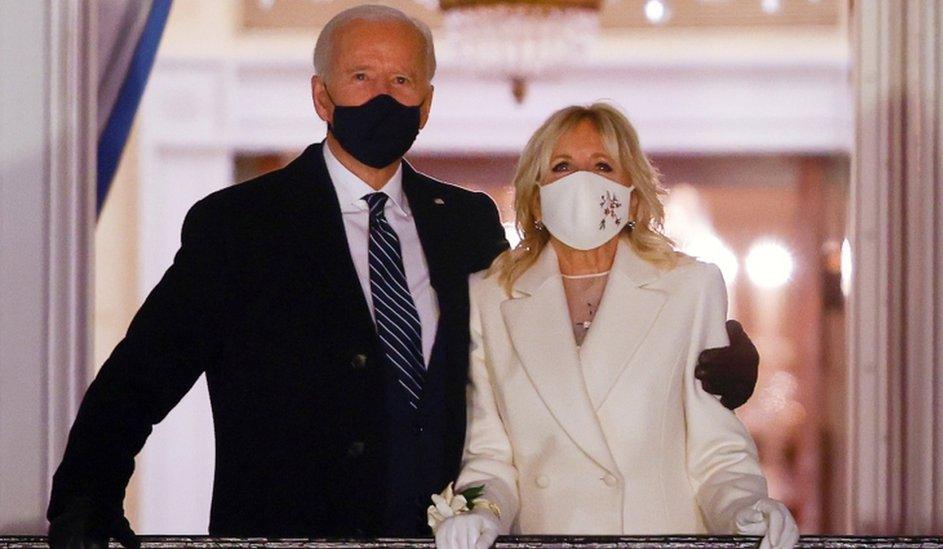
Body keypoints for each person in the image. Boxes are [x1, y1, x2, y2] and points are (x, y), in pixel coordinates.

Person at [47, 6, 761, 546]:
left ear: (427, 101)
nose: (382, 96)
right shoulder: (241, 225)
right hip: (294, 537)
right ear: (322, 96)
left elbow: (559, 337)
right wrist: (87, 489)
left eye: (401, 80)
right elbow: (143, 371)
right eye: (361, 77)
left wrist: (722, 350)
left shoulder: (469, 223)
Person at [432, 103, 798, 549]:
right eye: (562, 166)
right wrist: (480, 514)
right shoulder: (492, 296)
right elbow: (491, 457)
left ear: (634, 195)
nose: (582, 182)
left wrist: (746, 510)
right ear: (536, 195)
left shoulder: (688, 288)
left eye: (602, 166)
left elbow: (716, 453)